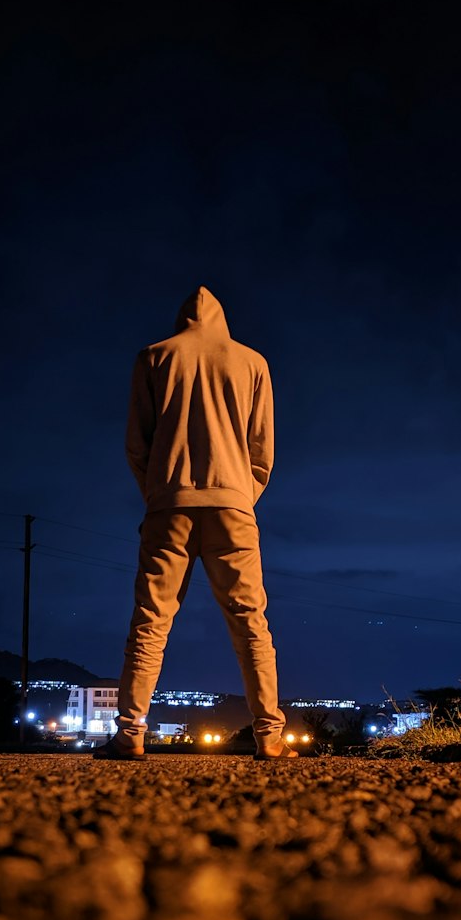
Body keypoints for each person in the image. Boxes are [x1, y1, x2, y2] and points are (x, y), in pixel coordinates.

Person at [97, 285, 294, 760]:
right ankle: (269, 736)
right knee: (250, 622)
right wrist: (242, 496)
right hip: (233, 508)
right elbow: (261, 450)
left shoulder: (154, 357)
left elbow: (136, 443)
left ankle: (131, 734)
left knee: (151, 620)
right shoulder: (252, 362)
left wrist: (160, 492)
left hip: (168, 505)